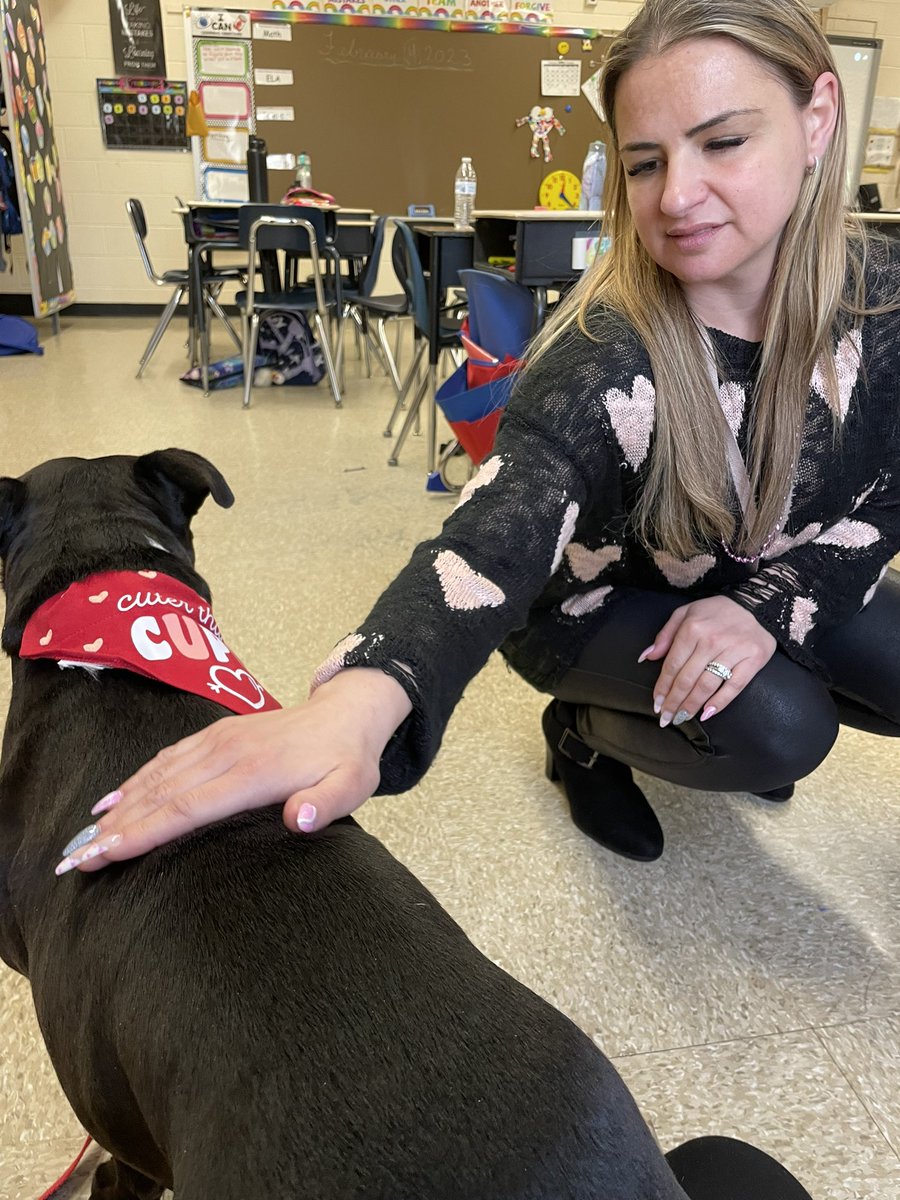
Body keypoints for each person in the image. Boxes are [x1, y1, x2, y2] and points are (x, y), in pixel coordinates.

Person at [58, 0, 900, 877]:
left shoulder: (883, 301)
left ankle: (731, 677)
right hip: (592, 605)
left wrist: (769, 609)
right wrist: (359, 700)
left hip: (757, 565)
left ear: (818, 118)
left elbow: (892, 496)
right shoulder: (603, 358)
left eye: (723, 142)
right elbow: (490, 539)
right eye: (644, 162)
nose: (677, 196)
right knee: (780, 725)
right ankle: (581, 735)